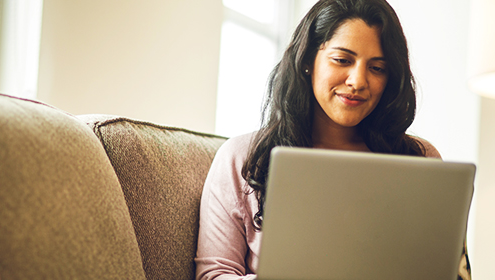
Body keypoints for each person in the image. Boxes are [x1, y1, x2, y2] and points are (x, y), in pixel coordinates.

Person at [194, 0, 472, 279]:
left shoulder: (420, 160)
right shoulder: (243, 158)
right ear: (307, 61)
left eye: (377, 68)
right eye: (342, 60)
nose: (358, 81)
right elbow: (214, 274)